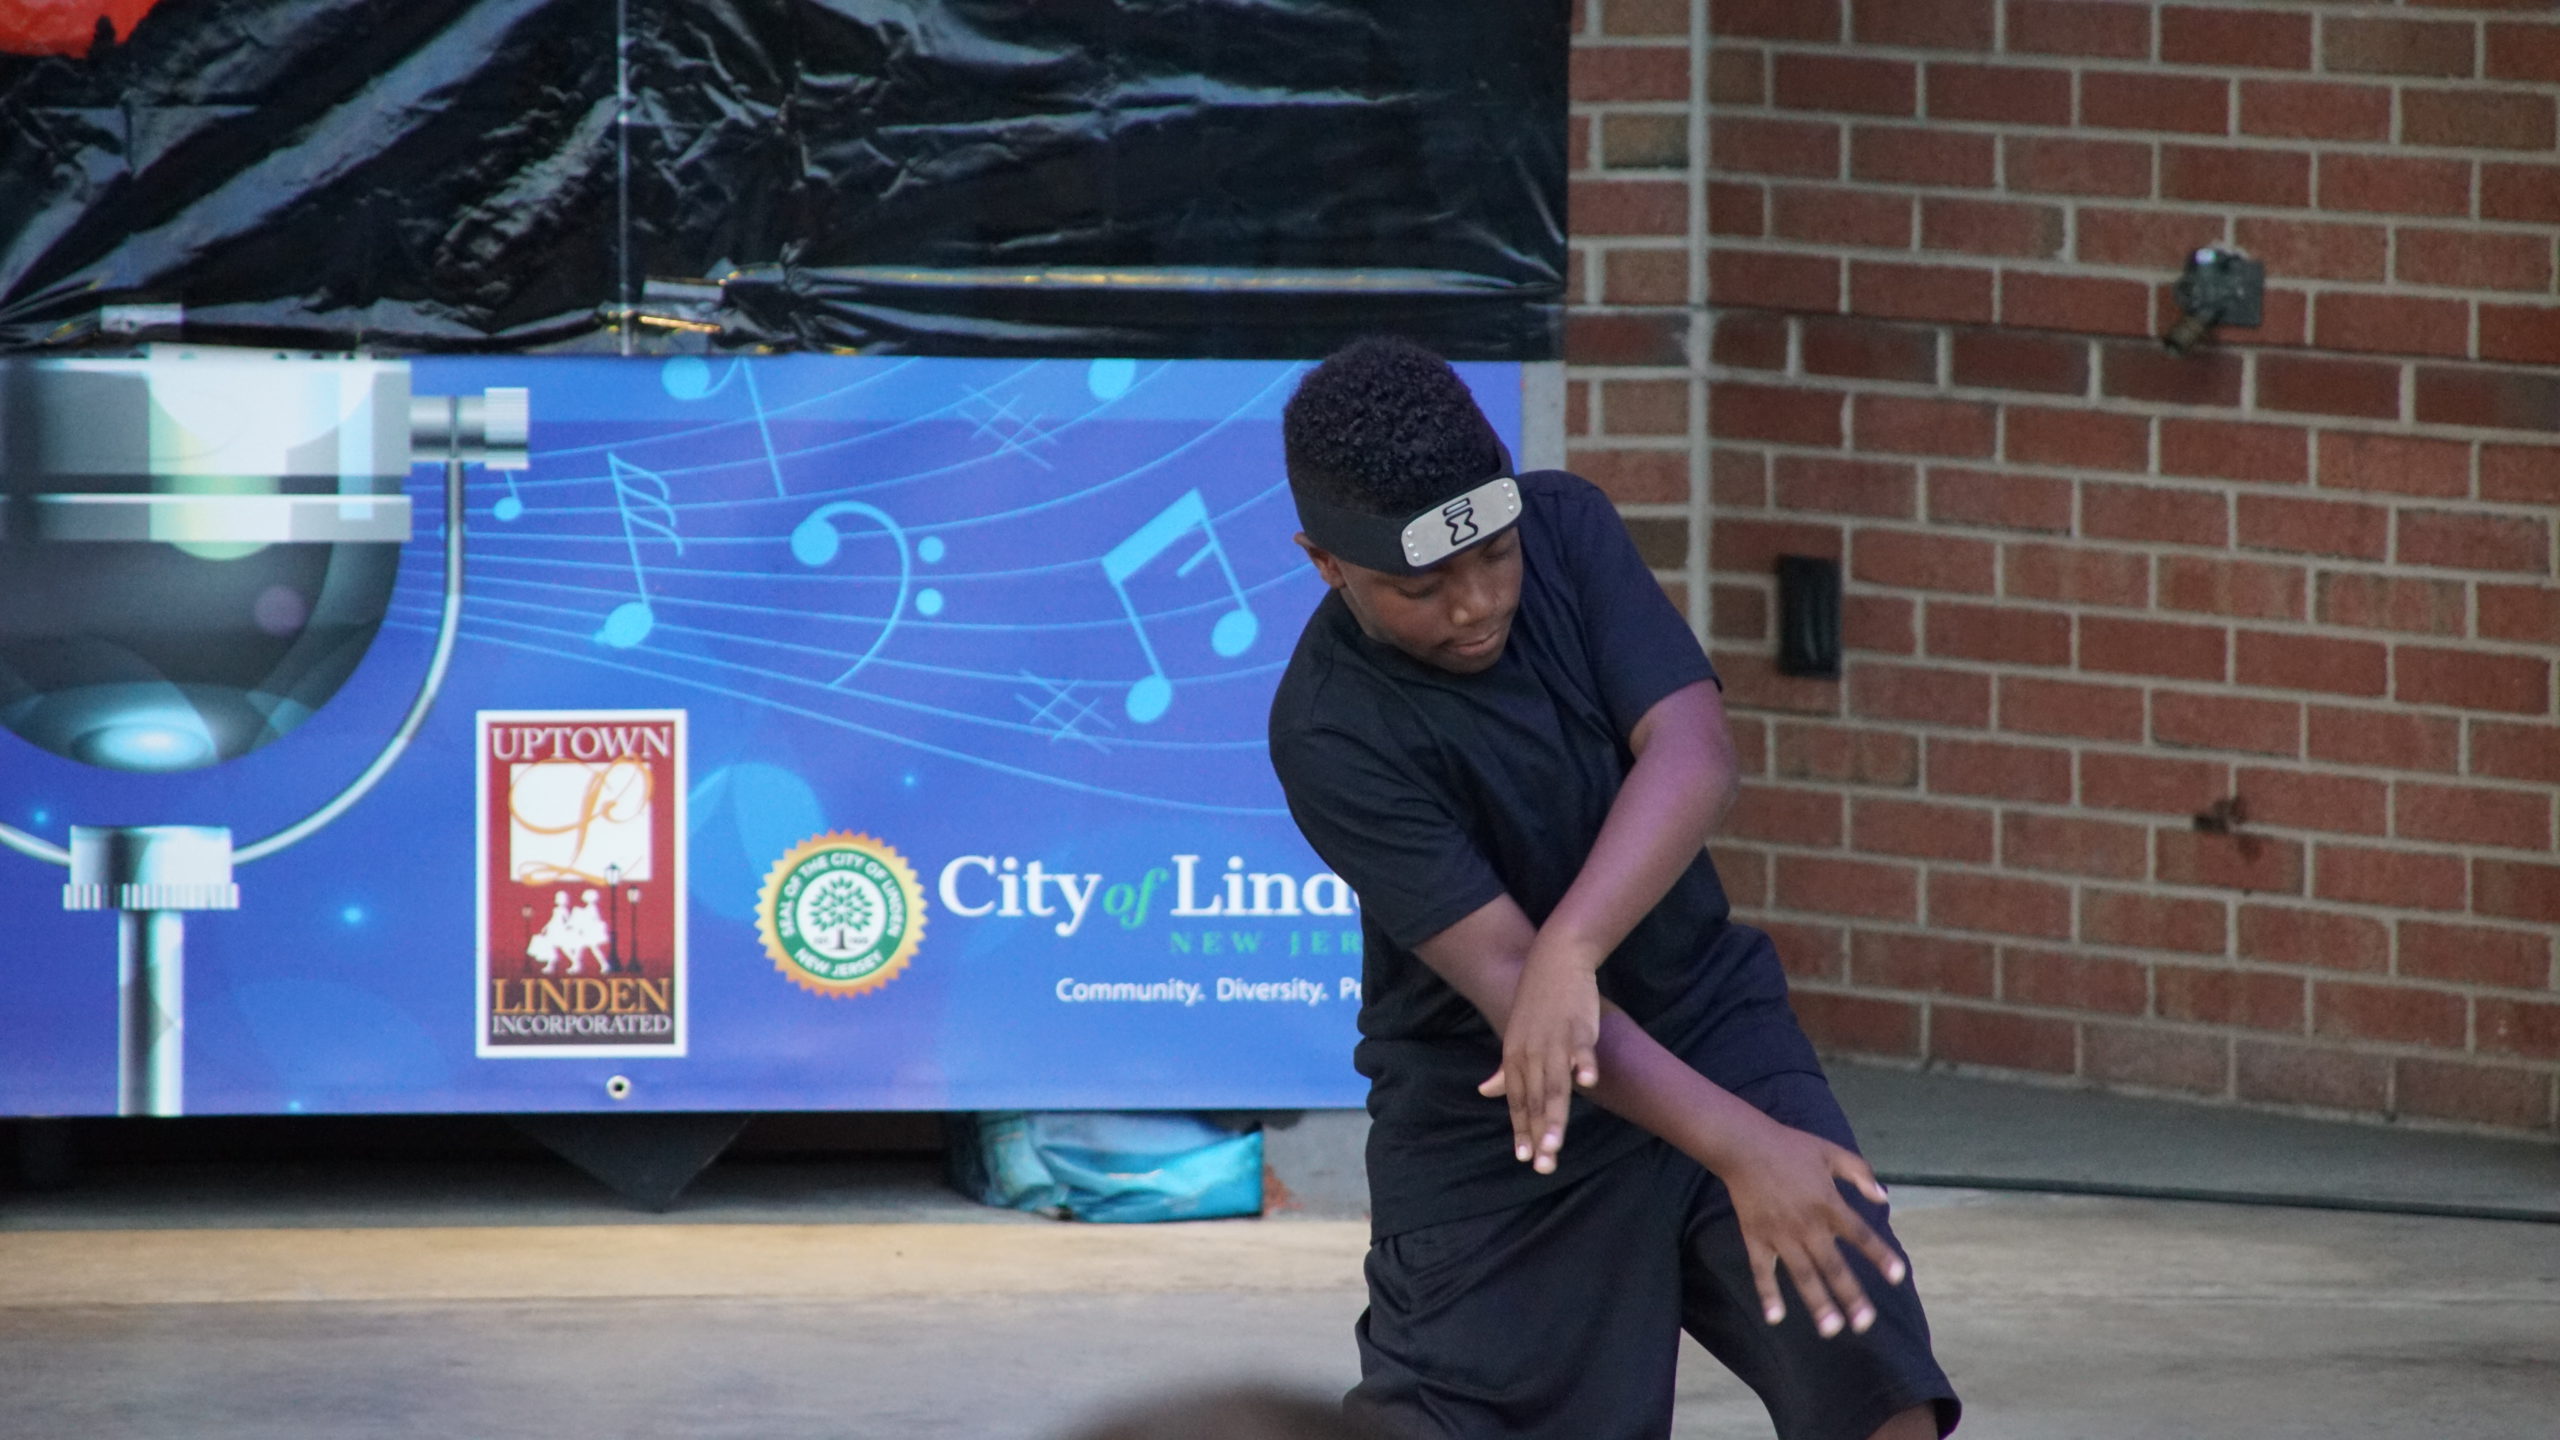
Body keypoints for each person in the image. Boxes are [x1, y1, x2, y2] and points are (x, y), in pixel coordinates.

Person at [1265, 337, 1961, 1440]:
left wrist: (1572, 947)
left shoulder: (1569, 524)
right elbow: (1519, 994)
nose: (1475, 604)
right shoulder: (1327, 731)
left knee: (1870, 1365)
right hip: (1501, 1112)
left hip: (1703, 1024)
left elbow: (1693, 751)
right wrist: (1741, 1147)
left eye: (1494, 554)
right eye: (1421, 586)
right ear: (1324, 564)